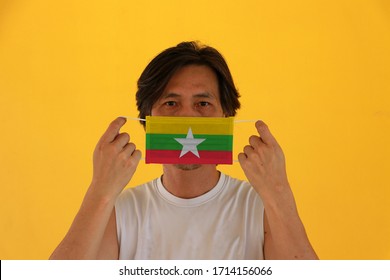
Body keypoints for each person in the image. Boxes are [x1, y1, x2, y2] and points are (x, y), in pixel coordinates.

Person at [50, 41, 318, 260]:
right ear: (147, 119)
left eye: (202, 103)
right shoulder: (119, 212)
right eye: (170, 103)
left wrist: (278, 192)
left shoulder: (262, 208)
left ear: (227, 116)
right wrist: (100, 191)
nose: (188, 117)